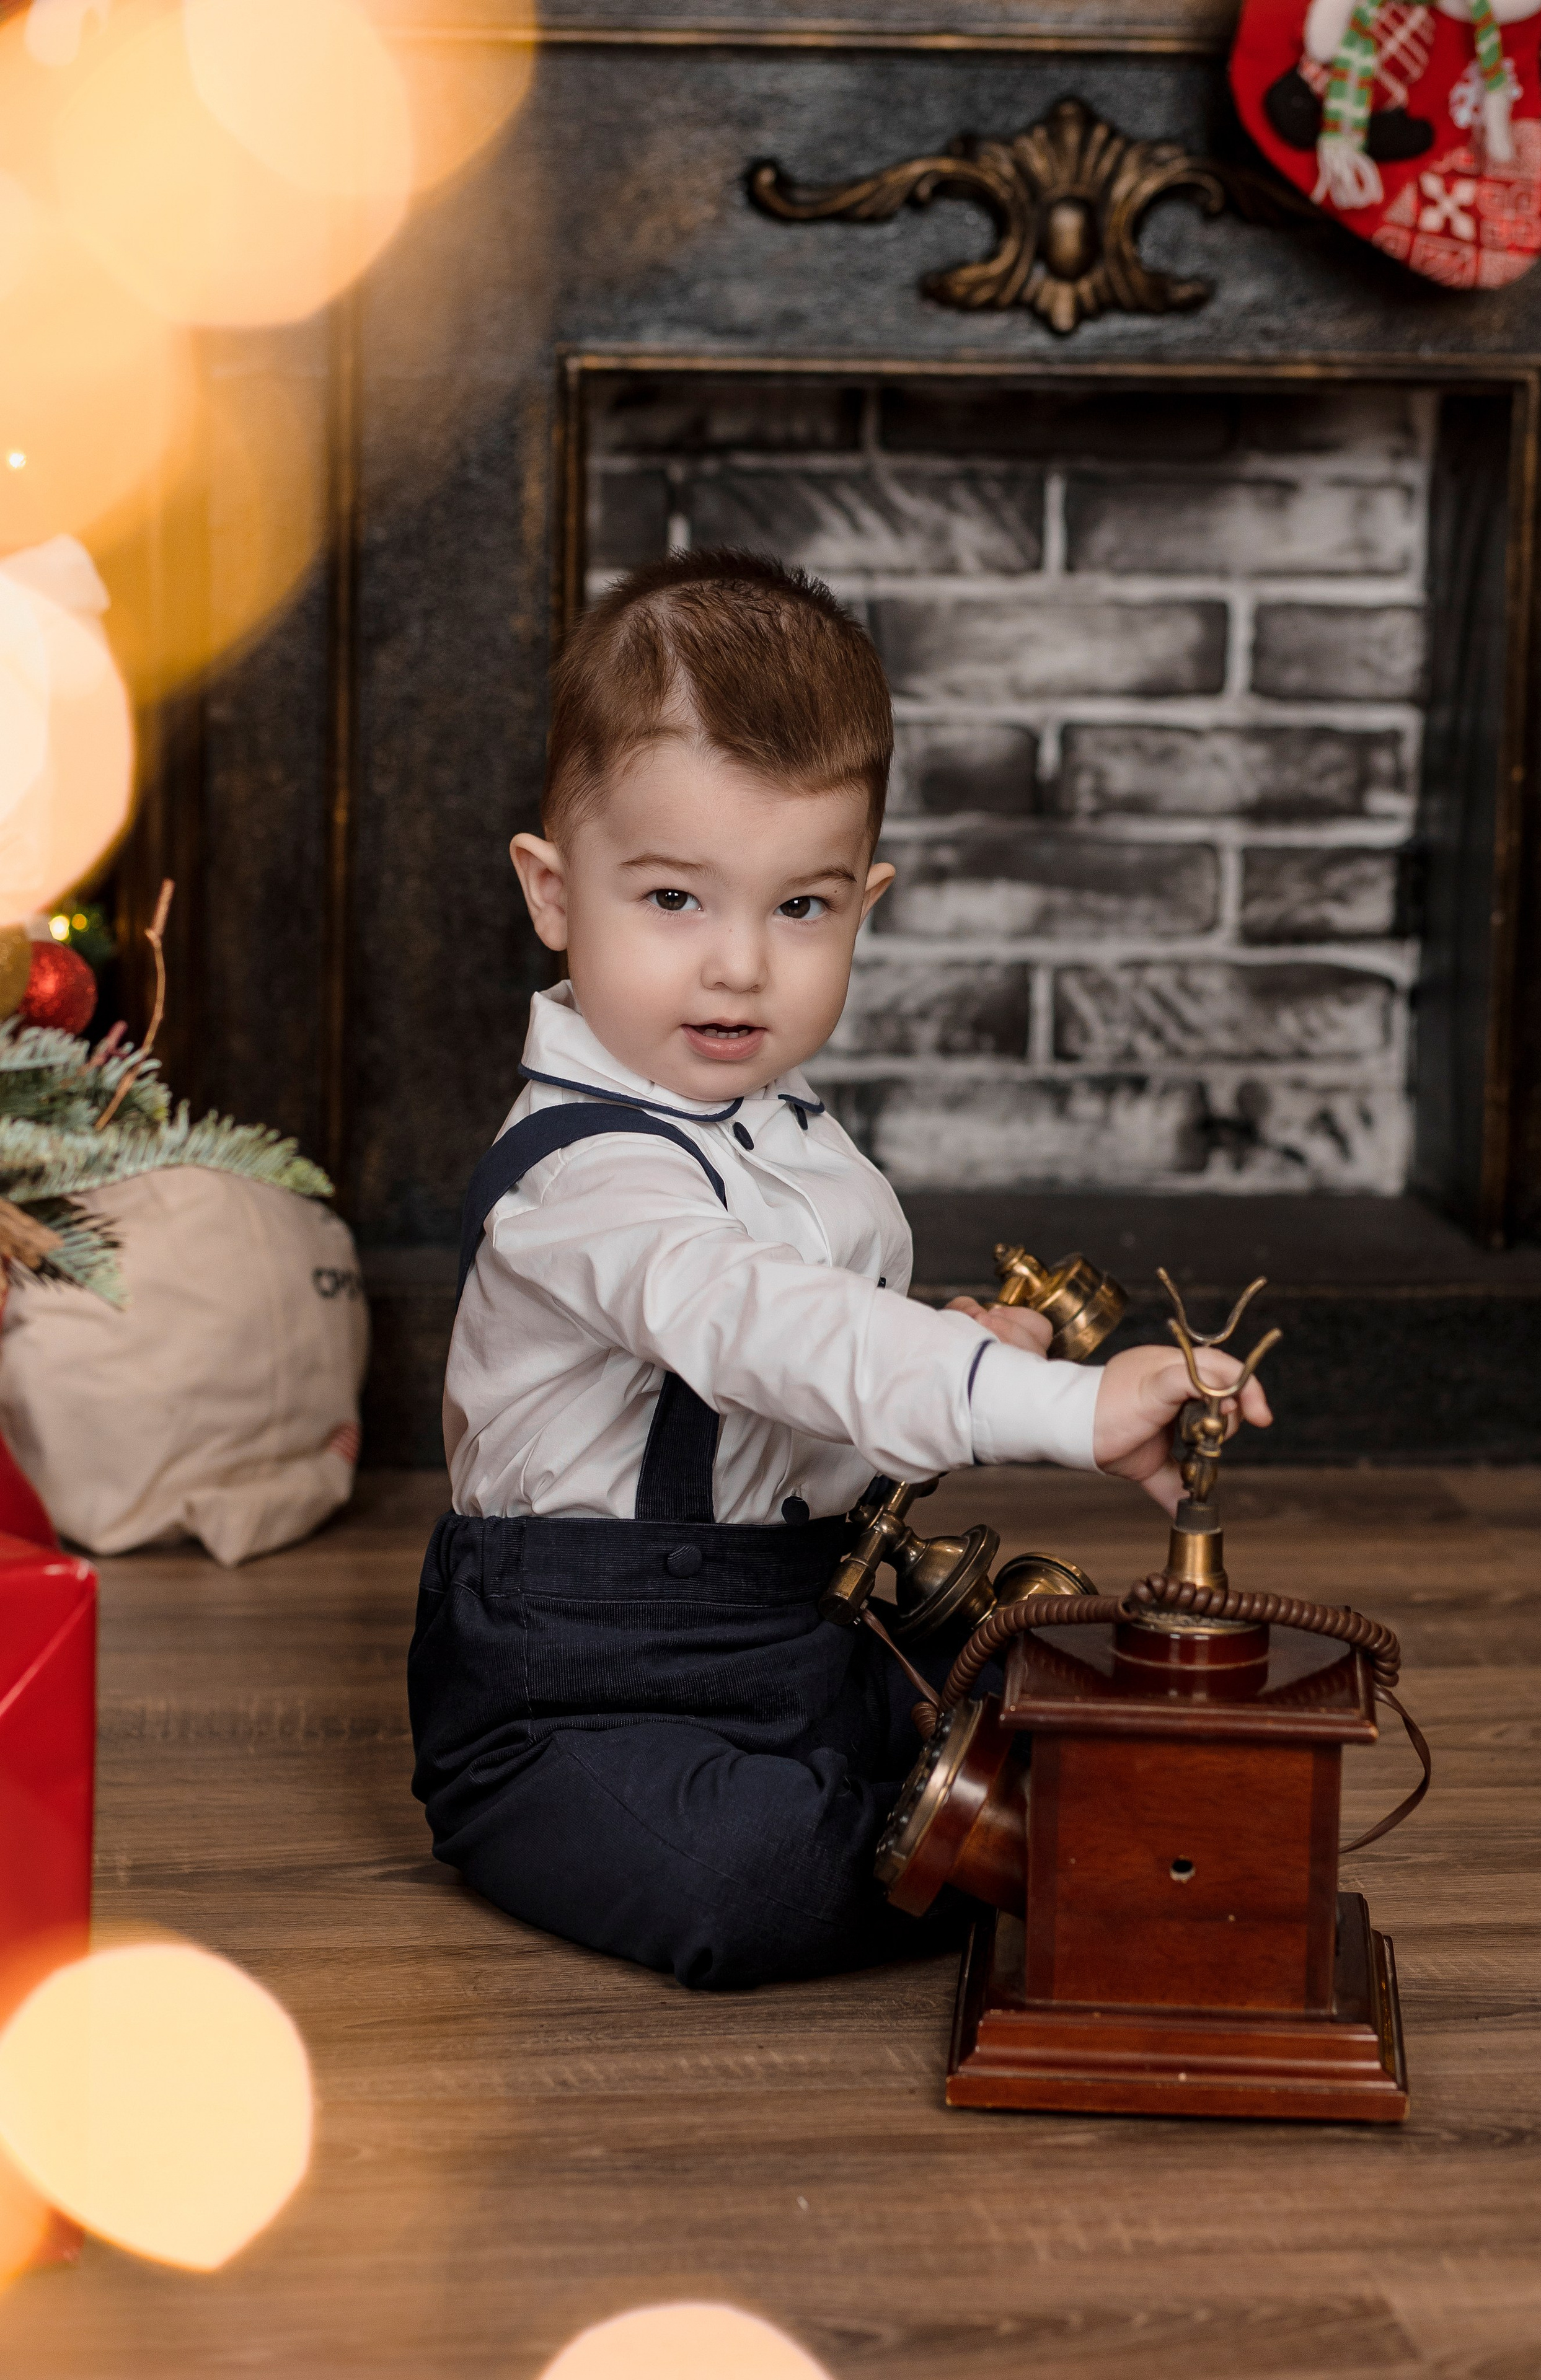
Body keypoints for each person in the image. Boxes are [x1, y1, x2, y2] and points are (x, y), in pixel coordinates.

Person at [408, 549, 1271, 1991]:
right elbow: (759, 1325)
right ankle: (976, 1840)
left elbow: (821, 1349)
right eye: (674, 900)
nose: (739, 967)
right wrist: (1056, 1411)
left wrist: (943, 1331)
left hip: (797, 1624)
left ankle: (981, 1804)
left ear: (864, 900)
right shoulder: (582, 1177)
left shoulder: (785, 1132)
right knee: (740, 1881)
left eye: (799, 909)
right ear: (553, 894)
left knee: (1056, 1669)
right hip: (581, 1689)